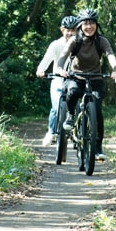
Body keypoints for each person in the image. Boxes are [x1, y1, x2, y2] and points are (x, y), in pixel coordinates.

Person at [55, 9, 116, 162]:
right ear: (80, 25)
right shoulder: (74, 40)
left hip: (95, 78)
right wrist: (59, 68)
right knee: (72, 91)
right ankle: (70, 116)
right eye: (85, 23)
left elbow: (110, 55)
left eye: (91, 23)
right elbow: (64, 55)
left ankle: (97, 148)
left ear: (96, 25)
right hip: (76, 77)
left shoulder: (101, 41)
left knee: (97, 110)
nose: (89, 26)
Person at [36, 15, 80, 145]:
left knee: (77, 107)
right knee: (56, 108)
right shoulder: (56, 44)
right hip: (58, 81)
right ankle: (51, 132)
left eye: (73, 30)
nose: (70, 33)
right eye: (68, 30)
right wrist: (41, 70)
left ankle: (77, 132)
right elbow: (47, 59)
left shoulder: (80, 44)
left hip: (74, 81)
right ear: (62, 30)